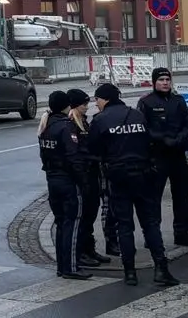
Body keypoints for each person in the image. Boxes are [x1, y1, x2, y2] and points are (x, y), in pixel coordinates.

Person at [86, 82, 178, 287]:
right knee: (150, 224)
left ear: (105, 99)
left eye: (97, 100)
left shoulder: (100, 120)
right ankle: (161, 269)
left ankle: (130, 273)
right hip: (144, 175)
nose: (96, 104)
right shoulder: (136, 115)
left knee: (124, 226)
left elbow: (92, 150)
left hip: (118, 177)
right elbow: (150, 141)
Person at [136, 67, 188, 248]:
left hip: (178, 155)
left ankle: (182, 233)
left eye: (167, 80)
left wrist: (179, 138)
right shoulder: (146, 102)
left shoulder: (178, 101)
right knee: (153, 198)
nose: (165, 83)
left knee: (181, 197)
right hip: (157, 157)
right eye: (161, 80)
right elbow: (143, 128)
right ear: (154, 81)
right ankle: (152, 235)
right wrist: (162, 139)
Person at [37, 91, 93, 280]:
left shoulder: (46, 125)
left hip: (52, 180)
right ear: (66, 105)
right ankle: (71, 266)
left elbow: (44, 156)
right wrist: (83, 180)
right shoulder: (66, 127)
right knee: (72, 223)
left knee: (61, 223)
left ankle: (62, 266)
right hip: (68, 181)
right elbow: (73, 157)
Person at [69, 86, 111, 267]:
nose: (87, 107)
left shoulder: (84, 121)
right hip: (84, 175)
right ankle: (81, 252)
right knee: (84, 216)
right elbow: (79, 152)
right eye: (84, 104)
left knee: (90, 214)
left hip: (92, 173)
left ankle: (89, 249)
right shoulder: (72, 123)